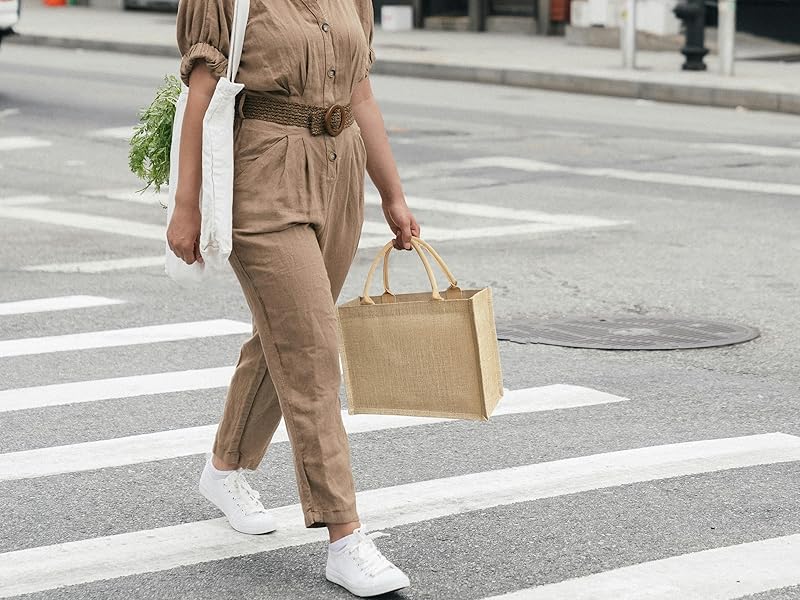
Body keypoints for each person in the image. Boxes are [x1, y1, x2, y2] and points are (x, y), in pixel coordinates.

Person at [168, 0, 420, 596]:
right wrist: (186, 204)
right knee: (310, 350)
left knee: (283, 336)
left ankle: (224, 468)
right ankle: (345, 537)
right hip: (262, 175)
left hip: (339, 175)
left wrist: (393, 195)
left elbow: (360, 95)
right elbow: (200, 95)